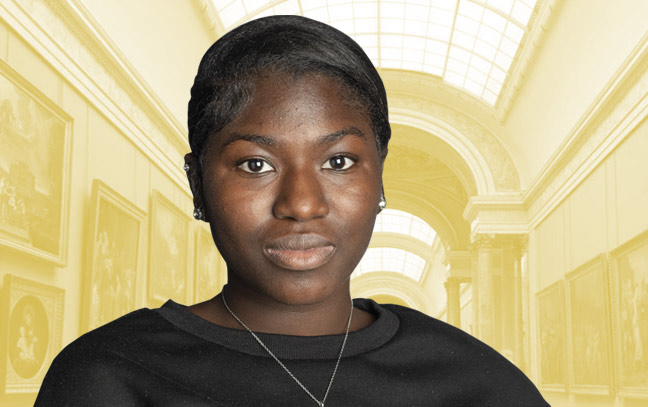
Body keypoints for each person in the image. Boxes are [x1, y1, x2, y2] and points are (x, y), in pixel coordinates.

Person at [36, 15, 550, 406]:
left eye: (339, 161)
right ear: (197, 184)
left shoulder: (475, 383)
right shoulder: (106, 377)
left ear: (379, 177)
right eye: (256, 164)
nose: (302, 203)